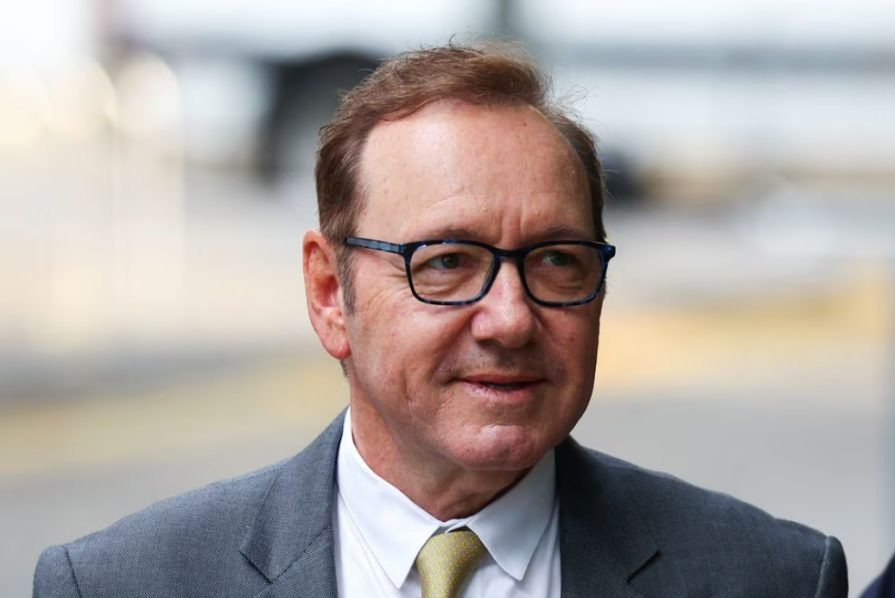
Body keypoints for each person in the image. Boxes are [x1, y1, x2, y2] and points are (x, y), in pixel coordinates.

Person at [33, 42, 848, 598]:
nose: (510, 319)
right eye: (448, 262)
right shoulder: (121, 584)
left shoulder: (771, 578)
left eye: (555, 260)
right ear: (329, 293)